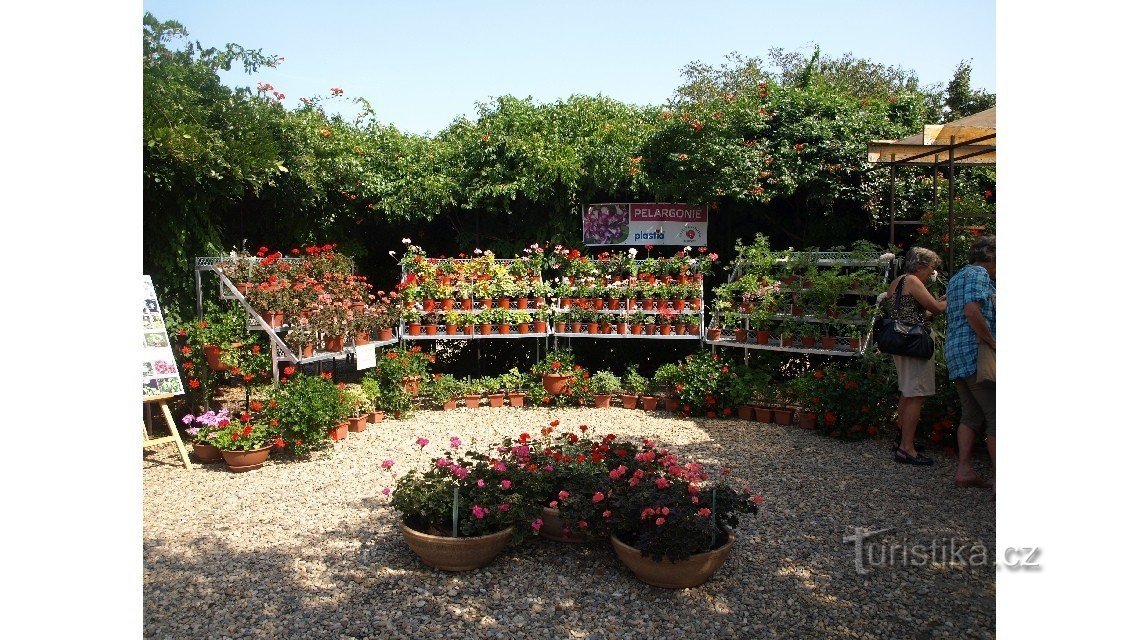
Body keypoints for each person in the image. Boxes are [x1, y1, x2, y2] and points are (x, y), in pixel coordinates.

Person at [886, 247, 946, 465]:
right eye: (931, 268)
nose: (932, 273)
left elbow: (909, 314)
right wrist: (948, 300)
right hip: (914, 344)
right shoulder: (913, 281)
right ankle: (907, 448)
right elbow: (937, 309)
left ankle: (901, 439)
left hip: (901, 341)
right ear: (920, 265)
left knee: (907, 391)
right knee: (916, 394)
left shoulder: (898, 281)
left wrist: (934, 306)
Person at [944, 236, 996, 489]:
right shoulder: (979, 274)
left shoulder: (957, 277)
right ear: (992, 257)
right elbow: (971, 311)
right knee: (998, 416)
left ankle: (964, 471)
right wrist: (993, 342)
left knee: (971, 415)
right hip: (976, 354)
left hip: (957, 355)